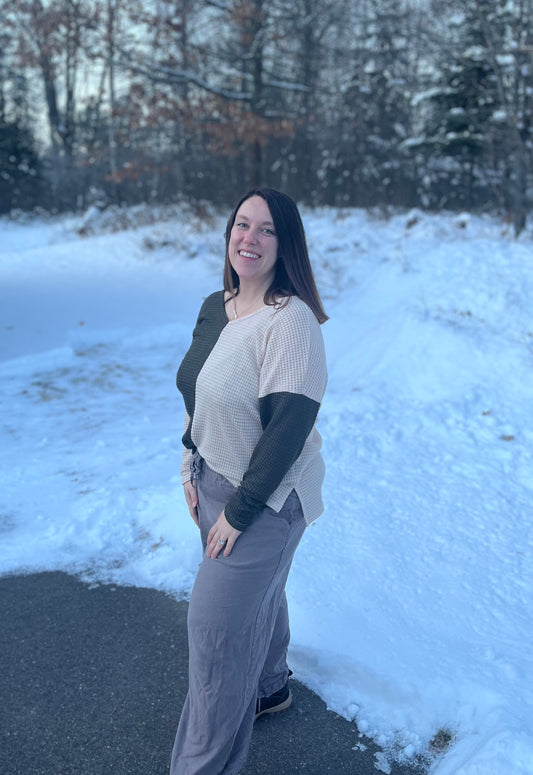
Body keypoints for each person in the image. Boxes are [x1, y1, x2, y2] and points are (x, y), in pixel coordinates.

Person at [171, 187, 328, 775]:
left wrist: (239, 513)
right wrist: (190, 463)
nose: (250, 238)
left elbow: (288, 429)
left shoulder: (291, 322)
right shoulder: (218, 304)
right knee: (258, 594)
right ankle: (268, 689)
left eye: (266, 229)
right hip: (212, 481)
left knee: (214, 640)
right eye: (242, 224)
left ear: (286, 243)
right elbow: (198, 393)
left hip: (266, 498)